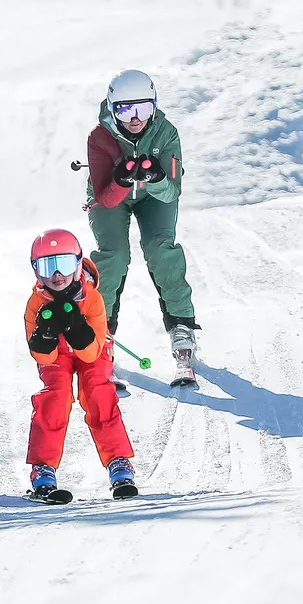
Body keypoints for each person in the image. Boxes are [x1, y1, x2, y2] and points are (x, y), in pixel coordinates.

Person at [86, 68, 200, 375]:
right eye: (125, 109)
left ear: (154, 105)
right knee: (113, 256)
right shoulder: (100, 137)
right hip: (112, 195)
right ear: (112, 109)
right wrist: (123, 179)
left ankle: (181, 326)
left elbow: (172, 191)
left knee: (161, 248)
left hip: (154, 196)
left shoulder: (165, 132)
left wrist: (156, 177)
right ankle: (101, 333)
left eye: (143, 108)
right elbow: (106, 198)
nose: (134, 118)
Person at [25, 228, 137, 497]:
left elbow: (91, 353)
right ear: (36, 271)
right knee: (55, 395)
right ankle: (43, 468)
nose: (57, 275)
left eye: (63, 264)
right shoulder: (35, 304)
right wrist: (46, 335)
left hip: (91, 350)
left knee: (98, 391)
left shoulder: (92, 298)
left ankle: (118, 462)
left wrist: (76, 328)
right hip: (58, 355)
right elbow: (42, 358)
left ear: (77, 264)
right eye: (47, 267)